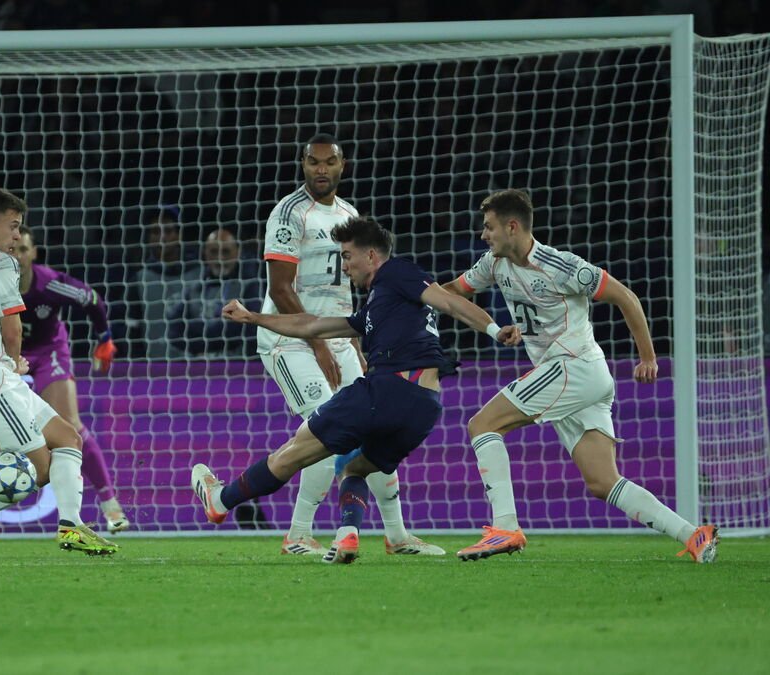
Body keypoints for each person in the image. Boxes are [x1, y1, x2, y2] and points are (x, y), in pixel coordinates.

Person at [191, 216, 520, 563]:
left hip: (388, 389)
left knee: (295, 450)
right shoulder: (379, 304)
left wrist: (494, 330)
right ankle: (349, 534)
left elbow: (450, 302)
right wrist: (255, 317)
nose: (344, 266)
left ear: (373, 255)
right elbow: (313, 324)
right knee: (355, 469)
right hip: (424, 408)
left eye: (347, 256)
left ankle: (221, 501)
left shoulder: (396, 273)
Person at [443, 188, 719, 563]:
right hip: (579, 378)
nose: (483, 235)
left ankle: (505, 527)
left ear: (512, 227)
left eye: (489, 227)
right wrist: (424, 300)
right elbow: (452, 293)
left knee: (482, 425)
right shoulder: (493, 264)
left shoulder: (562, 266)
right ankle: (693, 535)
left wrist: (647, 357)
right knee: (602, 481)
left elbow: (626, 297)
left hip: (574, 368)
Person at [256, 133, 443, 556]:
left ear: (343, 166)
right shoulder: (288, 213)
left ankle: (396, 536)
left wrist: (355, 344)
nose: (321, 169)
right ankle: (298, 534)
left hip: (339, 337)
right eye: (313, 162)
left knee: (373, 431)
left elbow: (353, 295)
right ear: (302, 164)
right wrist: (320, 346)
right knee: (328, 430)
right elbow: (281, 289)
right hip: (290, 340)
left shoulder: (349, 214)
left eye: (330, 162)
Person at [0, 187, 117, 559]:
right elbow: (13, 328)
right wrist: (15, 361)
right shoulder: (0, 262)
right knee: (40, 468)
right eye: (14, 226)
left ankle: (72, 526)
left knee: (68, 437)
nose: (18, 237)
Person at [168, 227, 262, 358]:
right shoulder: (193, 287)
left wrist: (196, 330)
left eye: (225, 251)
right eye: (213, 251)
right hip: (197, 368)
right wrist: (217, 331)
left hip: (237, 368)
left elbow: (248, 332)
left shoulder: (250, 286)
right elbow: (174, 331)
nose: (219, 259)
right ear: (205, 253)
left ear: (238, 252)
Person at [127, 207, 200, 359]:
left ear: (178, 234)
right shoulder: (139, 279)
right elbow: (133, 329)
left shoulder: (199, 273)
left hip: (196, 366)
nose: (162, 237)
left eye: (167, 231)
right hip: (154, 366)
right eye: (155, 232)